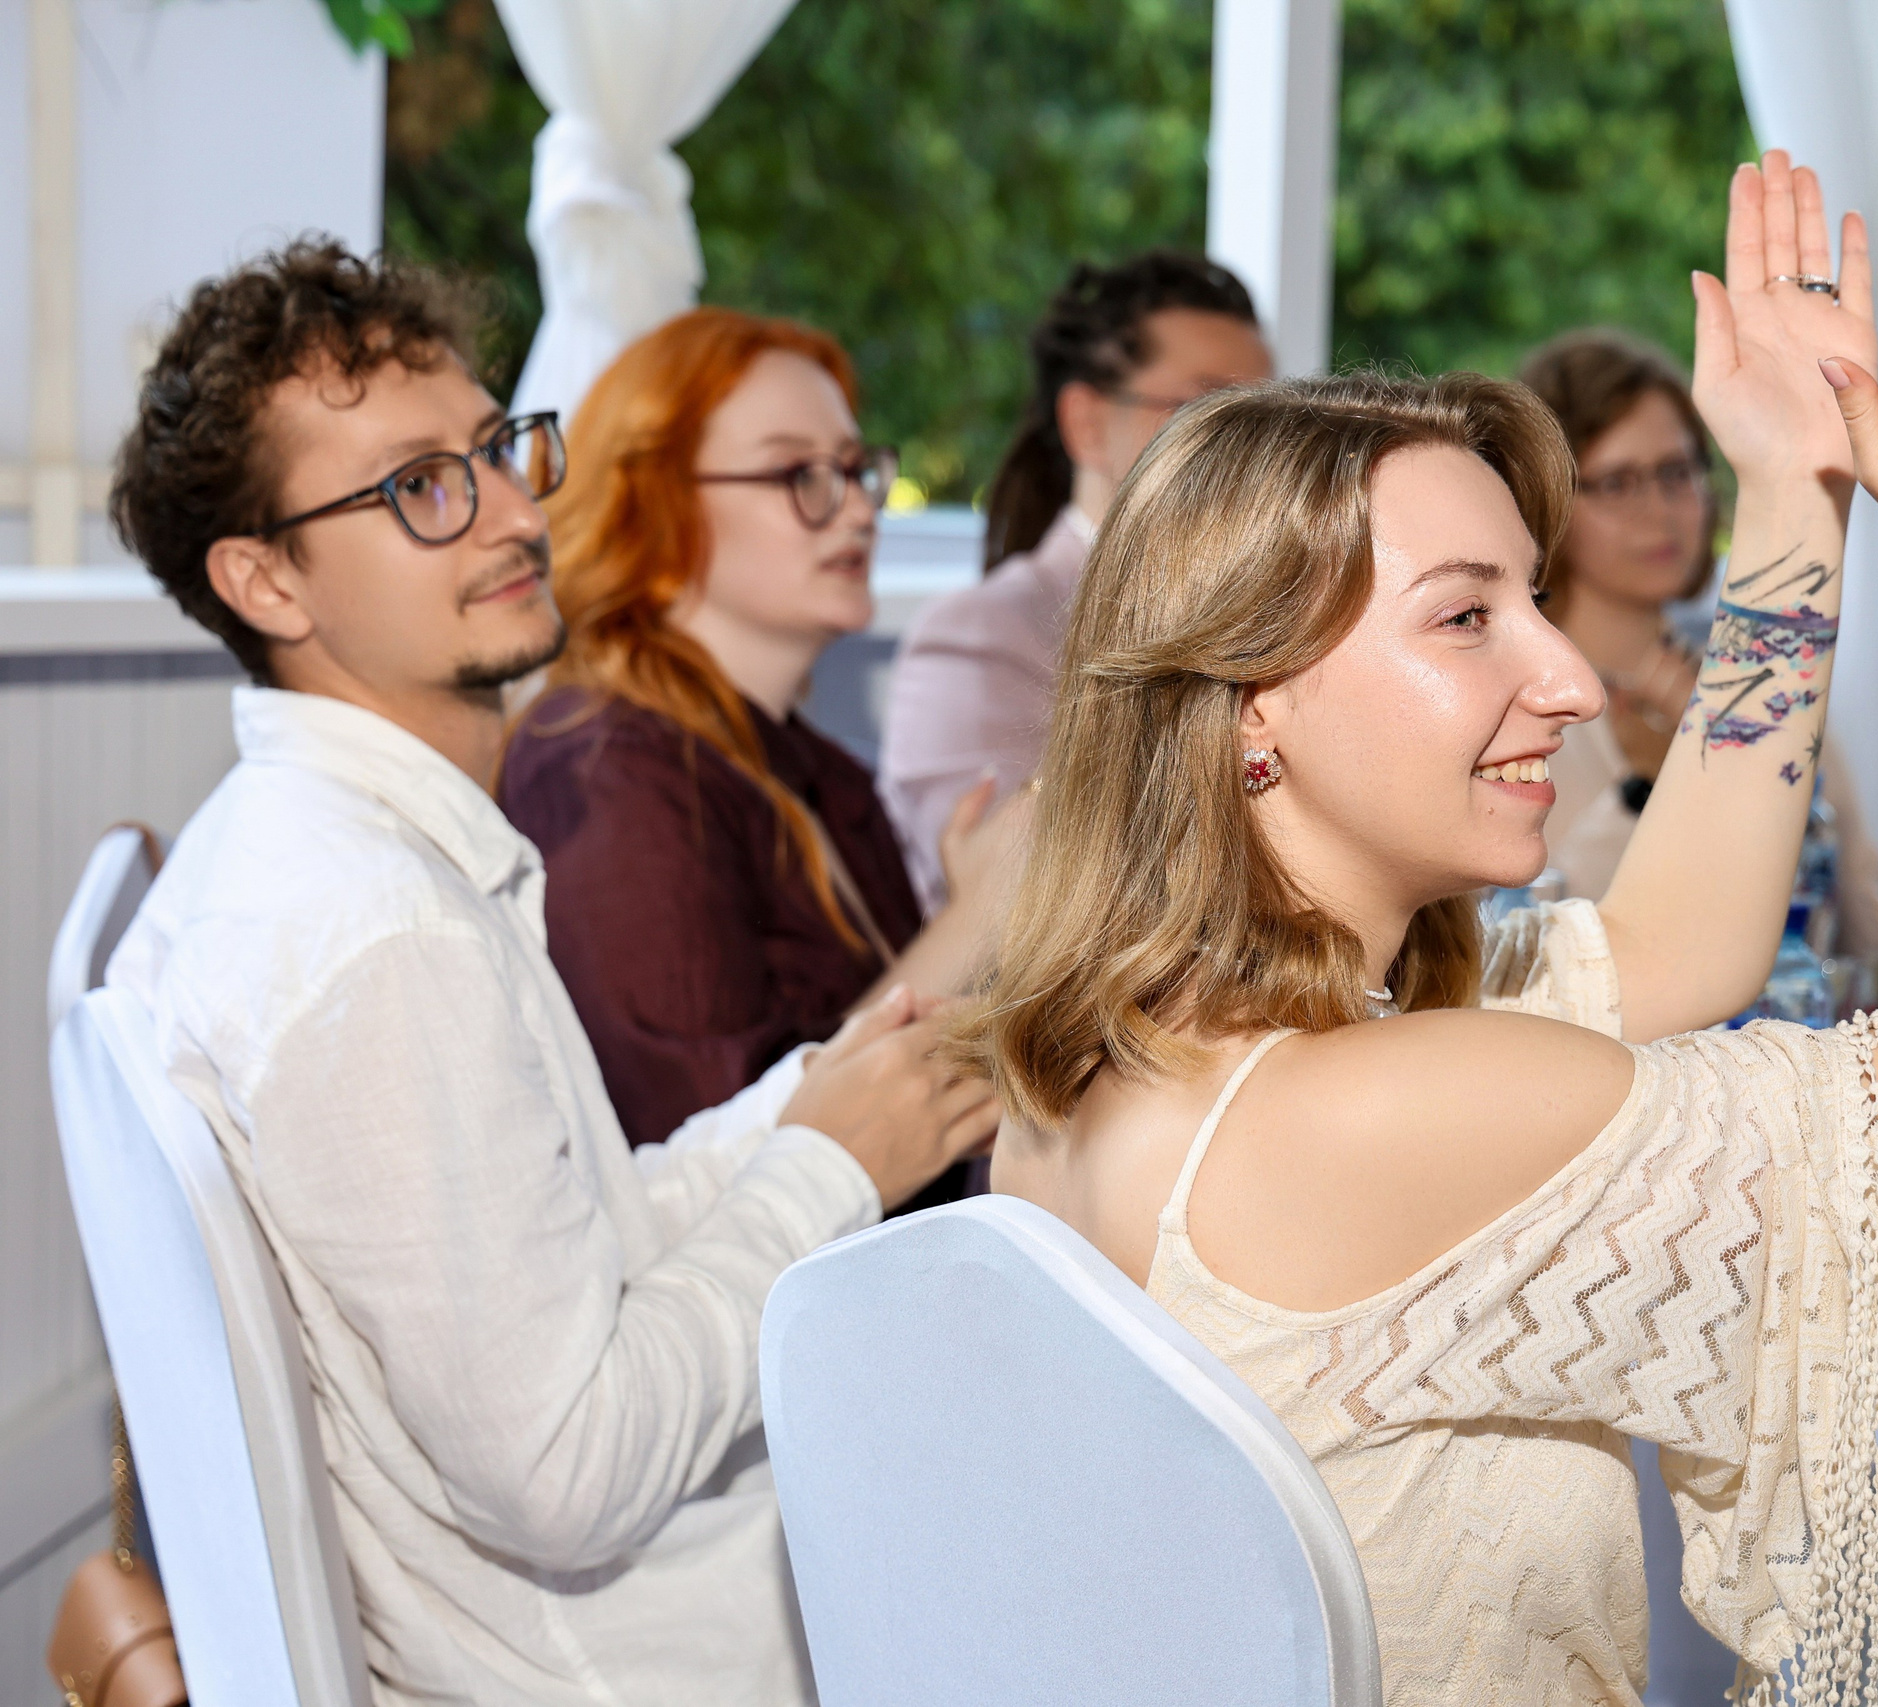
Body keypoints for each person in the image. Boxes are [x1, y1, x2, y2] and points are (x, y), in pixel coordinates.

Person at [967, 162, 1878, 1704]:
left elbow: (1679, 947)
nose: (1569, 678)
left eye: (1538, 599)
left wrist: (1790, 490)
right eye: (1467, 615)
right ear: (1252, 698)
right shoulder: (1358, 1110)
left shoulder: (1132, 1053)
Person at [102, 242, 991, 1705]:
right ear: (264, 578)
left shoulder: (304, 849)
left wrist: (810, 1104)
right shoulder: (374, 933)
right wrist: (833, 1170)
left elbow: (569, 1237)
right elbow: (571, 1470)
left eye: (497, 449)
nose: (517, 513)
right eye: (418, 487)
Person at [500, 308, 1016, 1179]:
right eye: (798, 472)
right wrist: (980, 917)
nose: (858, 507)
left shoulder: (817, 769)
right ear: (655, 502)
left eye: (856, 469)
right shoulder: (602, 765)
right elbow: (710, 1153)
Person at [879, 250, 1272, 902]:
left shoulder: (1283, 614)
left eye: (1265, 420)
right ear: (1086, 423)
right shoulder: (979, 637)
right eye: (1205, 411)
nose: (1249, 452)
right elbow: (1018, 901)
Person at [1518, 326, 1878, 959]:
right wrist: (1649, 782)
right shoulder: (1514, 710)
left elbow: (1858, 930)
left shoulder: (1771, 681)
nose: (1660, 511)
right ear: (1545, 500)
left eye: (1676, 472)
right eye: (1618, 482)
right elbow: (1527, 948)